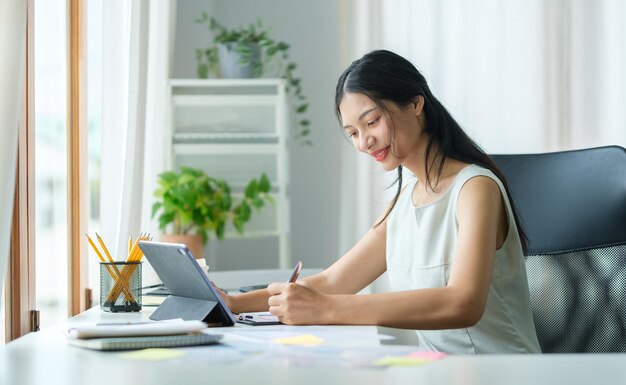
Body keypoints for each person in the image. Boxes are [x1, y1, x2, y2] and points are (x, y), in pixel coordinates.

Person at [219, 50, 541, 354]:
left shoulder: (475, 188)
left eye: (372, 122)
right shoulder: (404, 199)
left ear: (416, 104)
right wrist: (232, 304)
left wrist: (326, 309)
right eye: (353, 132)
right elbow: (333, 281)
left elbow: (462, 303)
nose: (364, 142)